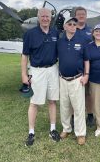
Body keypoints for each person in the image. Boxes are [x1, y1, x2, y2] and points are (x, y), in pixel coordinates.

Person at [21, 8, 61, 146]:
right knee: (34, 102)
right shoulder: (30, 34)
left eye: (47, 16)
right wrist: (24, 74)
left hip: (52, 69)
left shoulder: (56, 33)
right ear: (38, 18)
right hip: (37, 71)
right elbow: (24, 55)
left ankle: (53, 129)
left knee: (52, 100)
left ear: (51, 18)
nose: (45, 18)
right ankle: (31, 132)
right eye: (43, 16)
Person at [57, 17, 89, 145]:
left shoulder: (82, 41)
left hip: (77, 79)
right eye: (69, 24)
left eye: (74, 24)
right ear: (64, 27)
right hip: (63, 79)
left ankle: (80, 133)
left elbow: (86, 60)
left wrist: (86, 75)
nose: (72, 26)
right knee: (64, 106)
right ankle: (66, 129)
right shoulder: (59, 42)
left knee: (78, 107)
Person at [74, 6, 95, 127]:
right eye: (79, 14)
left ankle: (90, 115)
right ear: (75, 16)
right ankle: (73, 116)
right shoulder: (71, 29)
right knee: (73, 94)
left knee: (88, 93)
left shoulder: (91, 31)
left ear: (86, 16)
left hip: (88, 67)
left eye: (83, 14)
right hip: (74, 68)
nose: (81, 16)